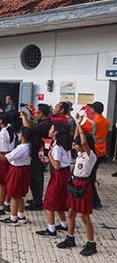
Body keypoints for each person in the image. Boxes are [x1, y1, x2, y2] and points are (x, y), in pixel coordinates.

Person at [56, 120, 98, 256]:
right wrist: (77, 126)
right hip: (75, 184)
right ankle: (70, 238)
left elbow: (84, 143)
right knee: (71, 213)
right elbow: (79, 141)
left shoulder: (91, 156)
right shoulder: (80, 154)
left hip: (83, 187)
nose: (74, 145)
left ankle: (91, 243)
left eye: (76, 144)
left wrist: (79, 126)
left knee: (85, 217)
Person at [0, 127, 33, 226]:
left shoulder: (22, 148)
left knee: (14, 195)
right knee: (19, 195)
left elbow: (4, 158)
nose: (18, 135)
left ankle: (13, 218)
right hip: (23, 170)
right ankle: (21, 215)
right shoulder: (29, 146)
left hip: (17, 171)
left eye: (20, 133)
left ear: (23, 136)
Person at [36, 123, 72, 236]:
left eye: (51, 128)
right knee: (59, 200)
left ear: (56, 132)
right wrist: (49, 159)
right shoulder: (64, 145)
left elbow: (56, 165)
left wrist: (50, 156)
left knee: (49, 201)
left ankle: (51, 229)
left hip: (59, 175)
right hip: (65, 173)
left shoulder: (56, 147)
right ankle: (64, 224)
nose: (49, 130)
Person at [21, 103, 52, 211]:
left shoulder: (45, 124)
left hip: (40, 154)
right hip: (37, 152)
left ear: (42, 114)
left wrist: (24, 117)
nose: (35, 114)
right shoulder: (42, 122)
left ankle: (38, 202)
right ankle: (36, 198)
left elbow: (28, 129)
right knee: (34, 177)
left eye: (37, 112)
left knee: (36, 178)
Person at [80, 101, 109, 208]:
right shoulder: (106, 121)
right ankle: (93, 200)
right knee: (91, 176)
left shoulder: (92, 122)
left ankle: (95, 202)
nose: (89, 109)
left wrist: (79, 120)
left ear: (93, 110)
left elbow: (80, 130)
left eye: (91, 108)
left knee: (89, 177)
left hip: (94, 151)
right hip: (102, 151)